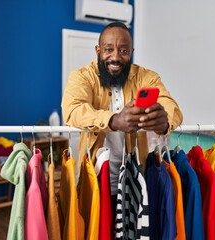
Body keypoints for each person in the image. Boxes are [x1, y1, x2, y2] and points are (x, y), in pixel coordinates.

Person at [61, 21, 183, 213]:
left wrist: (165, 120)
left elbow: (170, 105)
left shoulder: (146, 77)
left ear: (131, 52)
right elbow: (72, 109)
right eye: (109, 49)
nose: (116, 57)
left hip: (136, 178)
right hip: (96, 178)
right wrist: (114, 120)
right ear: (98, 50)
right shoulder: (82, 77)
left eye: (124, 51)